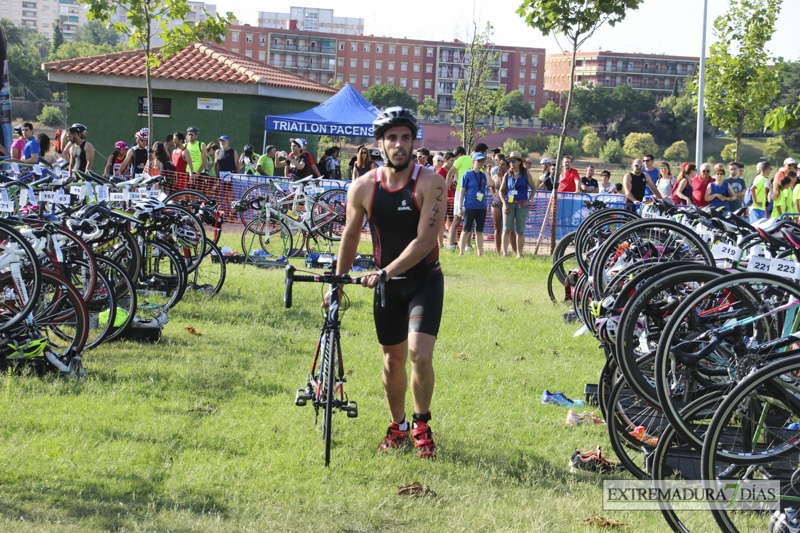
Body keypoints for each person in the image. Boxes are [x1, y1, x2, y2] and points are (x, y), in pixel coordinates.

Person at [333, 107, 444, 459]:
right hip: (387, 287)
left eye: (406, 138)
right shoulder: (363, 186)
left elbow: (424, 241)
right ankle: (396, 426)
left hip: (423, 280)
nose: (399, 144)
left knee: (418, 354)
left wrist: (385, 272)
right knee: (392, 362)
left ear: (413, 143)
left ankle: (421, 424)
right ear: (380, 144)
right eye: (392, 138)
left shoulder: (431, 183)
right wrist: (336, 283)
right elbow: (349, 237)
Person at [446, 144, 487, 249]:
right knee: (457, 218)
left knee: (469, 220)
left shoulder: (480, 165)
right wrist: (447, 186)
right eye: (485, 154)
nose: (482, 160)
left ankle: (467, 246)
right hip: (461, 192)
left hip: (472, 195)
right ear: (480, 152)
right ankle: (451, 245)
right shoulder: (463, 158)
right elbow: (451, 171)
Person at [499, 151, 537, 258]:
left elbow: (534, 188)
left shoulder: (526, 174)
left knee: (520, 230)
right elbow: (501, 191)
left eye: (513, 160)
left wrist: (529, 200)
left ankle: (519, 254)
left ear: (519, 162)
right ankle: (505, 253)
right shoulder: (507, 174)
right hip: (509, 204)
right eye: (510, 161)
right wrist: (504, 204)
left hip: (522, 205)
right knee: (506, 229)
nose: (511, 163)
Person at [458, 152, 489, 257]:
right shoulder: (467, 174)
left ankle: (480, 253)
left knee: (479, 231)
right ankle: (461, 252)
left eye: (482, 161)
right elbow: (462, 191)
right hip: (469, 206)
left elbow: (490, 183)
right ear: (473, 161)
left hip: (481, 207)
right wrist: (460, 207)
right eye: (478, 160)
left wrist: (485, 171)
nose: (481, 163)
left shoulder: (483, 175)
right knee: (466, 230)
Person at [490, 158, 510, 254]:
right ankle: (498, 250)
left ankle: (510, 250)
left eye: (503, 165)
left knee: (508, 229)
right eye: (500, 164)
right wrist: (494, 195)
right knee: (497, 228)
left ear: (507, 167)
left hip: (508, 204)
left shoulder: (509, 177)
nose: (500, 166)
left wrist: (502, 177)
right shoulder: (495, 176)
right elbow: (491, 186)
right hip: (497, 204)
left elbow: (508, 189)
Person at [438, 152, 456, 248]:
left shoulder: (452, 171)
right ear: (445, 160)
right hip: (443, 200)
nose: (453, 163)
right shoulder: (440, 172)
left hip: (452, 200)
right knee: (442, 223)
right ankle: (440, 244)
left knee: (453, 222)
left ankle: (453, 243)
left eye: (454, 161)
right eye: (451, 161)